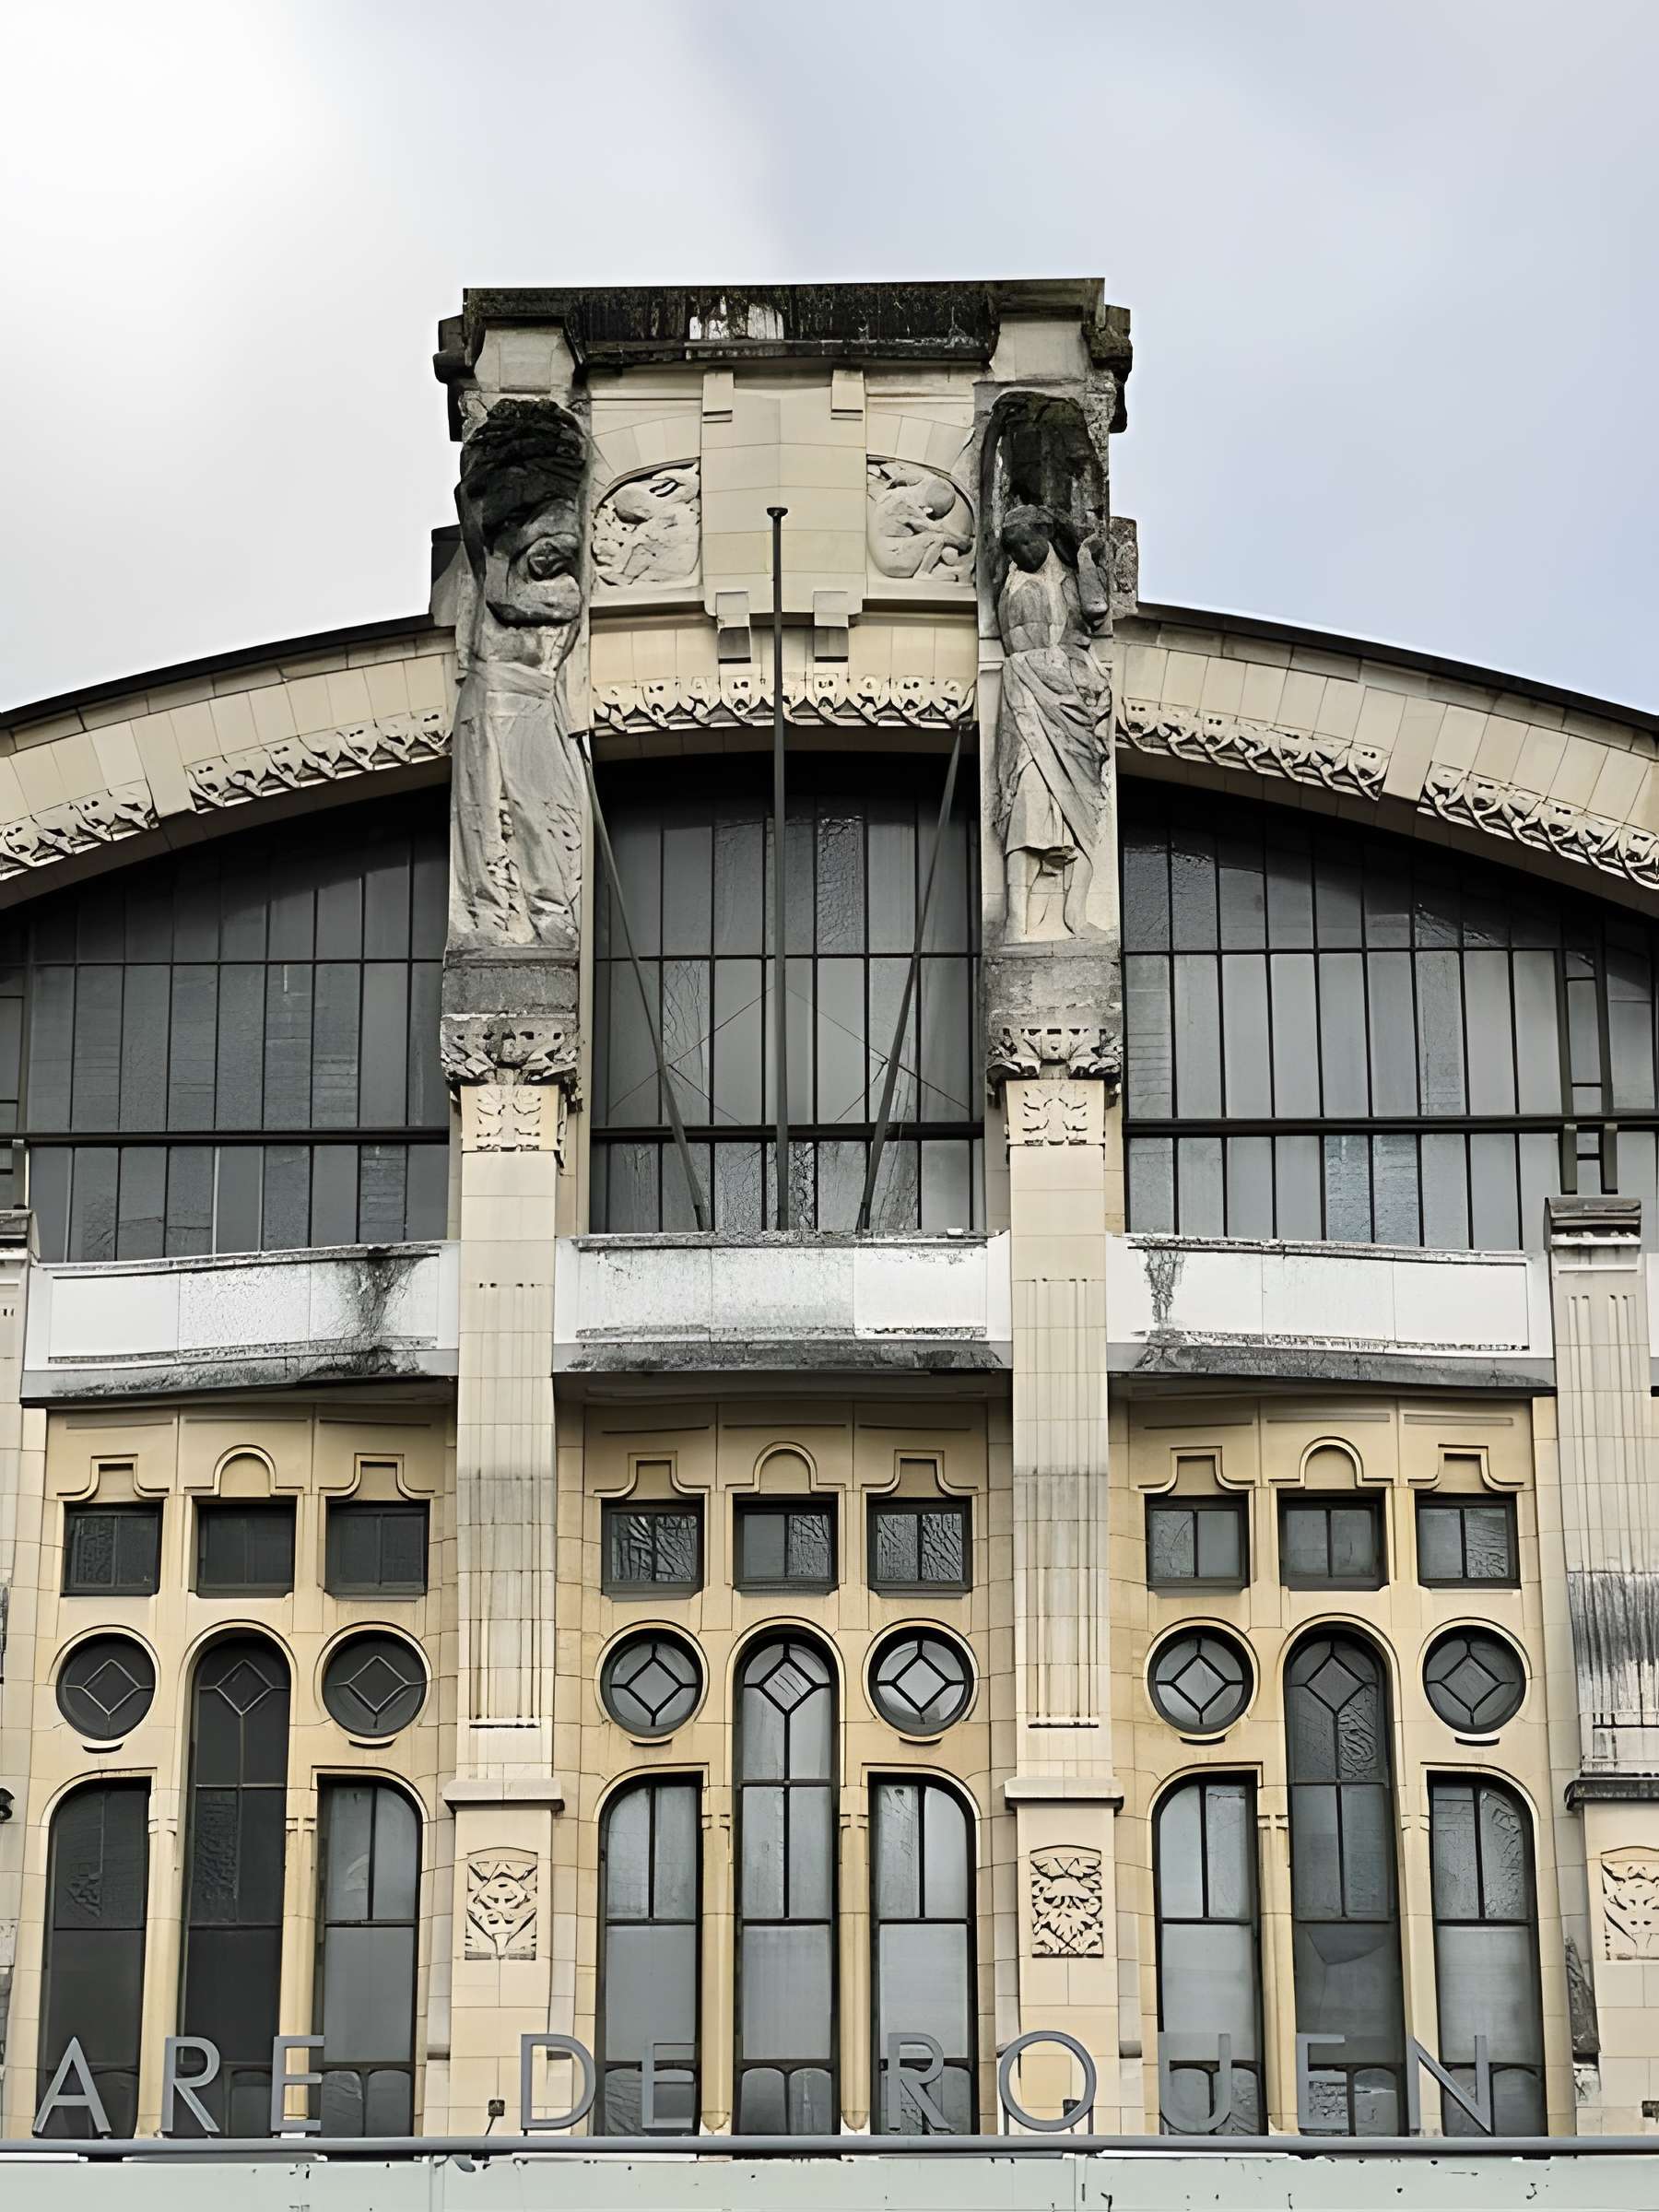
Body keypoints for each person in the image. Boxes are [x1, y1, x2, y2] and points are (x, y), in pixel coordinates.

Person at [994, 502, 1111, 940]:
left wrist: (1084, 557)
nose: (1020, 552)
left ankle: (1074, 914)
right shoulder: (1004, 577)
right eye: (1012, 546)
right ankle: (1015, 920)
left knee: (1080, 808)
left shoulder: (1066, 579)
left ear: (1043, 536)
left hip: (1069, 698)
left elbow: (1097, 608)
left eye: (1026, 542)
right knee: (1023, 800)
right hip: (1023, 696)